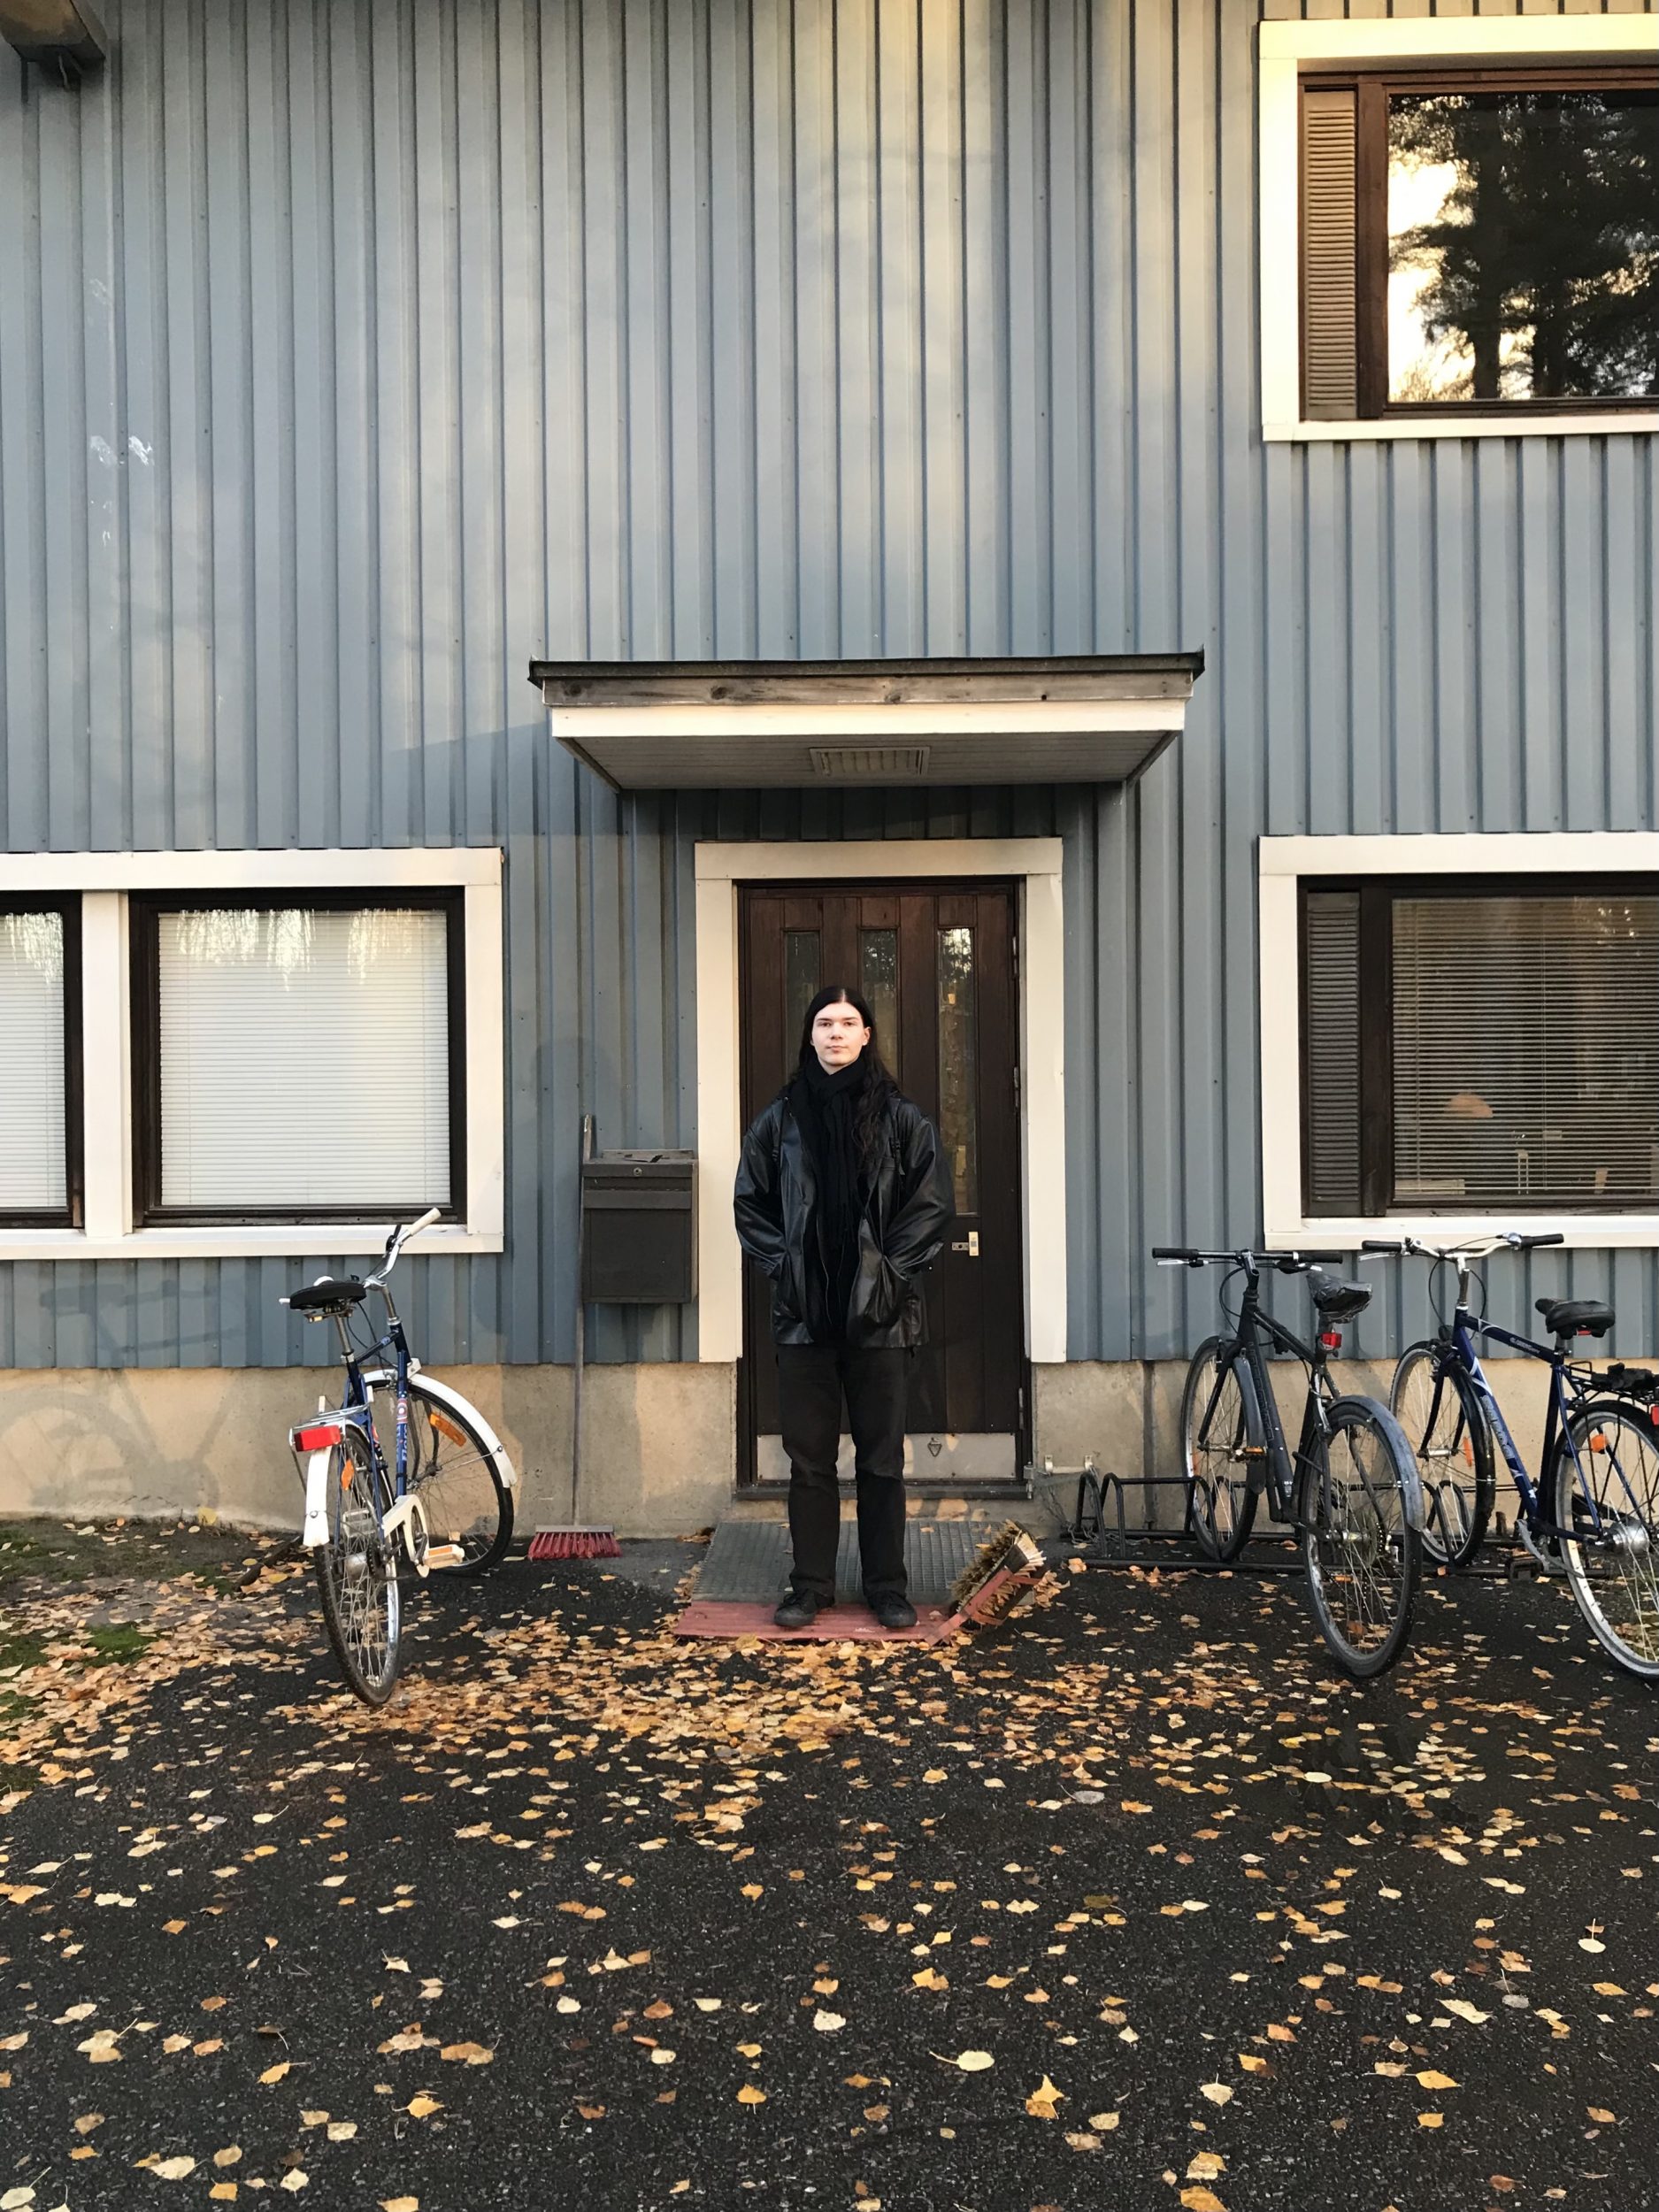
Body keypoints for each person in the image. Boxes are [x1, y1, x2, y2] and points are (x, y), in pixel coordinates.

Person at [733, 986, 955, 1631]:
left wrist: (885, 1279)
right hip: (804, 1321)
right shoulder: (778, 1120)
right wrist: (787, 1271)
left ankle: (886, 1586)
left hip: (882, 1323)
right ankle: (810, 1587)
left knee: (881, 1461)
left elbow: (929, 1208)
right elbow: (752, 1206)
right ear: (810, 1036)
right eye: (824, 1023)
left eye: (847, 1022)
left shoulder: (901, 1119)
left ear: (866, 1036)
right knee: (808, 1464)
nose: (835, 1033)